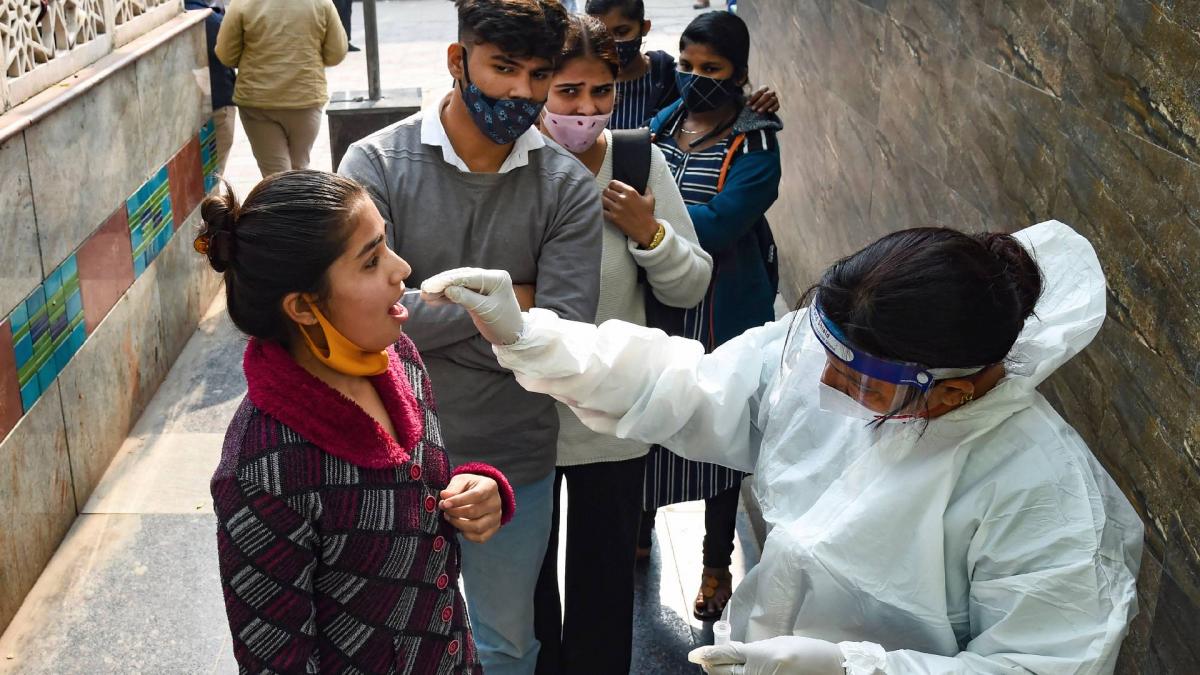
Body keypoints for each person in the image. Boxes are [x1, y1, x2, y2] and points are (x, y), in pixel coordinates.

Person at [421, 218, 1144, 674]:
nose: (821, 382)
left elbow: (1046, 661)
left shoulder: (1040, 489)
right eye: (820, 350)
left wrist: (851, 667)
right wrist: (532, 336)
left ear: (952, 390)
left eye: (855, 380)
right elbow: (689, 386)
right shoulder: (837, 355)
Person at [337, 1, 602, 672]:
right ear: (458, 61)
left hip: (514, 451)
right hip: (390, 451)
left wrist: (422, 308)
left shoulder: (568, 188)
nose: (521, 92)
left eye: (538, 74)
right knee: (388, 635)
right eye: (503, 68)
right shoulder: (376, 163)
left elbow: (561, 337)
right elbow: (360, 321)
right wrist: (509, 302)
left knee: (506, 642)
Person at [202, 170, 515, 672]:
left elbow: (415, 492)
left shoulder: (399, 359)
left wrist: (479, 489)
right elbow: (276, 660)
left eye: (386, 244)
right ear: (304, 307)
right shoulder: (263, 469)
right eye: (371, 260)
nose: (402, 268)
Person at [531, 15, 712, 674]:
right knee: (527, 589)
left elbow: (692, 282)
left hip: (612, 416)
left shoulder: (638, 161)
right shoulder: (512, 164)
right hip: (524, 417)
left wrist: (650, 232)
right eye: (568, 91)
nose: (586, 109)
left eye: (600, 92)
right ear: (539, 88)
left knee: (605, 587)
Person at [639, 9, 782, 623]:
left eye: (713, 69)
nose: (696, 78)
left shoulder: (757, 142)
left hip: (721, 313)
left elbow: (723, 222)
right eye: (690, 65)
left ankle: (716, 561)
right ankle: (635, 530)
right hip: (654, 302)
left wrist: (646, 225)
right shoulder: (666, 120)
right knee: (645, 418)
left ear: (740, 74)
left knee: (718, 437)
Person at [584, 0, 777, 129]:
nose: (610, 42)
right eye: (601, 33)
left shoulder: (671, 79)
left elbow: (716, 102)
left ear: (645, 27)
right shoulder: (578, 80)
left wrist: (753, 103)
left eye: (621, 31)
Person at [215, 0, 348, 177]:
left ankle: (286, 202)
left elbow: (226, 54)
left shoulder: (242, 3)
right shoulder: (321, 3)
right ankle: (300, 201)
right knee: (299, 167)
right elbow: (336, 53)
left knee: (274, 175)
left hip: (258, 102)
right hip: (305, 98)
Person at [185, 0, 237, 175]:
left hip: (190, 113)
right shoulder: (210, 20)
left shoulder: (180, 17)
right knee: (214, 178)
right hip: (217, 105)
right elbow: (234, 55)